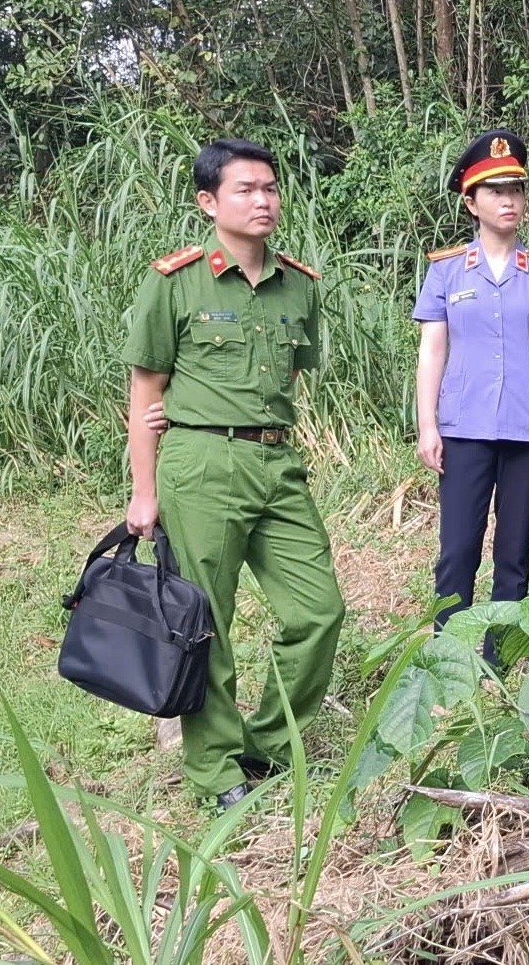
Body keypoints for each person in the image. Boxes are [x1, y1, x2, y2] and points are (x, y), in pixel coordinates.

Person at [124, 138, 345, 811]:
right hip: (200, 462)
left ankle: (270, 744)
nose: (263, 200)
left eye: (270, 188)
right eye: (246, 189)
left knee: (318, 610)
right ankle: (217, 769)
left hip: (277, 461)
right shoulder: (174, 281)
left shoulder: (300, 286)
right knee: (206, 622)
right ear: (208, 201)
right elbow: (144, 390)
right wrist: (144, 490)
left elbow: (291, 374)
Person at [413, 129, 529, 649]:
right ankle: (449, 655)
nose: (508, 200)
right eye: (494, 190)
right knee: (458, 548)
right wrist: (427, 425)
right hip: (464, 428)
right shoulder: (444, 271)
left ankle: (499, 658)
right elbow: (432, 351)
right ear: (471, 201)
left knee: (514, 553)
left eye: (516, 189)